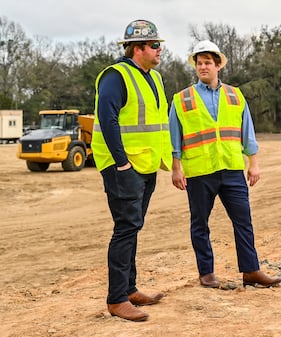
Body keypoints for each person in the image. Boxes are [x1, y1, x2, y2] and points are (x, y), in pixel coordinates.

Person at [169, 40, 281, 289]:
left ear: (218, 65)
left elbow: (247, 132)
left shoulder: (235, 95)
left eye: (208, 63)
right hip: (199, 172)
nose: (203, 67)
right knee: (200, 224)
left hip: (232, 169)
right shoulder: (181, 99)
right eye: (199, 63)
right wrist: (176, 168)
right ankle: (206, 273)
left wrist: (254, 163)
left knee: (244, 221)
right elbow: (174, 138)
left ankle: (251, 271)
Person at [91, 19, 172, 322]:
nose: (159, 49)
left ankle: (129, 289)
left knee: (134, 225)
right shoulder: (116, 76)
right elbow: (108, 119)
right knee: (125, 227)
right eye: (154, 45)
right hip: (123, 165)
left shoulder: (155, 77)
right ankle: (116, 299)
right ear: (137, 49)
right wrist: (122, 161)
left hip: (147, 163)